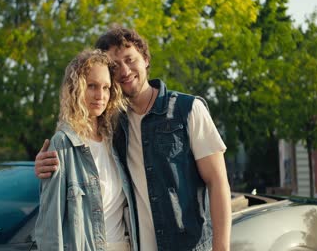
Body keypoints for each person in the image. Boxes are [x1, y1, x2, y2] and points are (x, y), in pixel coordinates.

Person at [35, 27, 231, 251]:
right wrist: (45, 162)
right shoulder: (114, 125)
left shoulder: (188, 110)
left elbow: (218, 182)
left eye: (130, 59)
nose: (125, 70)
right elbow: (80, 145)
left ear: (146, 59)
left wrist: (221, 248)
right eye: (115, 66)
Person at [34, 49, 138, 251]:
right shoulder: (63, 144)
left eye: (106, 88)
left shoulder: (117, 140)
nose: (100, 95)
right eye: (92, 86)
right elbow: (50, 227)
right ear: (76, 88)